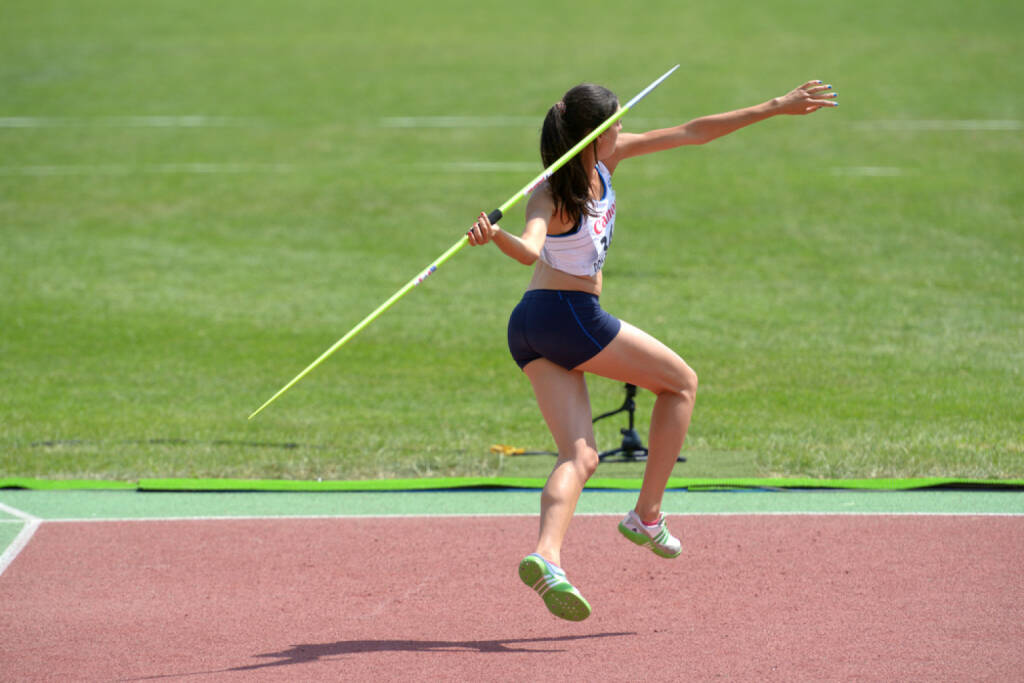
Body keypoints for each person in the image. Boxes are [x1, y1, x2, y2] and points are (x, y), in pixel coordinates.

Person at [466, 78, 838, 621]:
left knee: (581, 455)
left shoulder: (604, 162)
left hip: (529, 327)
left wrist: (776, 106)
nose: (624, 128)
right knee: (681, 382)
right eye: (616, 122)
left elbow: (692, 133)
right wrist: (492, 236)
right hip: (570, 318)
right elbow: (529, 250)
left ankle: (546, 557)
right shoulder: (547, 192)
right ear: (593, 135)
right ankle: (647, 515)